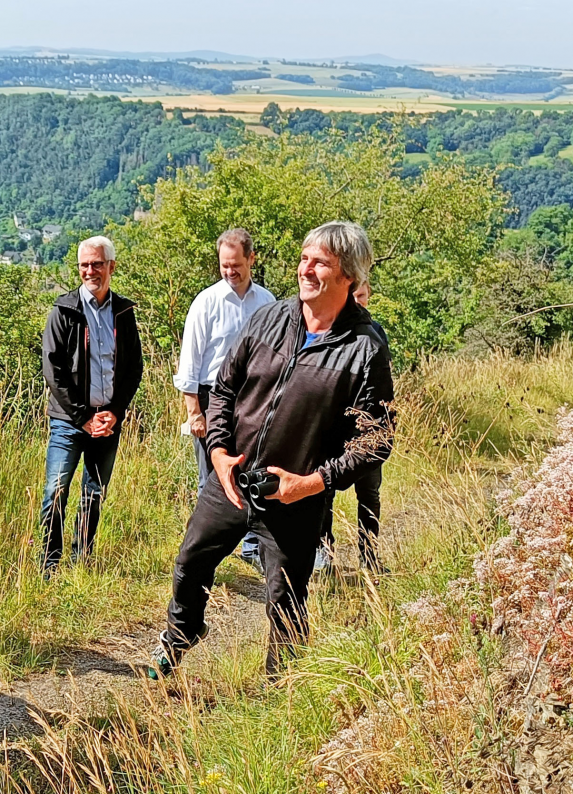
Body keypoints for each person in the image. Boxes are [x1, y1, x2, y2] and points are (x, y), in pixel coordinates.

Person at [151, 221, 394, 679]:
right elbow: (223, 387)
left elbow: (377, 439)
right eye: (304, 258)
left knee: (285, 600)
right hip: (232, 478)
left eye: (321, 262)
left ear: (349, 277)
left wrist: (313, 483)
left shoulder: (365, 347)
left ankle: (279, 691)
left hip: (295, 499)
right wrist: (219, 451)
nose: (306, 269)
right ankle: (180, 635)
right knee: (191, 559)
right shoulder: (271, 318)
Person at [39, 235, 142, 574]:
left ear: (111, 266)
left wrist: (116, 411)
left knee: (93, 493)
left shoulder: (123, 312)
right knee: (55, 492)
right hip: (69, 422)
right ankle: (49, 566)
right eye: (84, 265)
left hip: (108, 422)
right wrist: (83, 417)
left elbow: (133, 368)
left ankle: (81, 560)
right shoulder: (64, 310)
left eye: (97, 264)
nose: (90, 271)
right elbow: (52, 370)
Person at [172, 227, 275, 565]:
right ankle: (202, 554)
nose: (230, 271)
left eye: (236, 265)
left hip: (253, 398)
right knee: (211, 480)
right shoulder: (207, 302)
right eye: (224, 265)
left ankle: (250, 549)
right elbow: (191, 360)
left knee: (250, 472)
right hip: (212, 397)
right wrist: (194, 412)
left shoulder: (267, 302)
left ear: (251, 260)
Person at [320, 279, 386, 574]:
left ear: (368, 296)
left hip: (366, 429)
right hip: (332, 428)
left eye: (361, 295)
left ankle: (370, 557)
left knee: (369, 495)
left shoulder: (376, 333)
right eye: (352, 295)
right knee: (324, 493)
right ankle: (325, 557)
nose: (356, 300)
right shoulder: (327, 331)